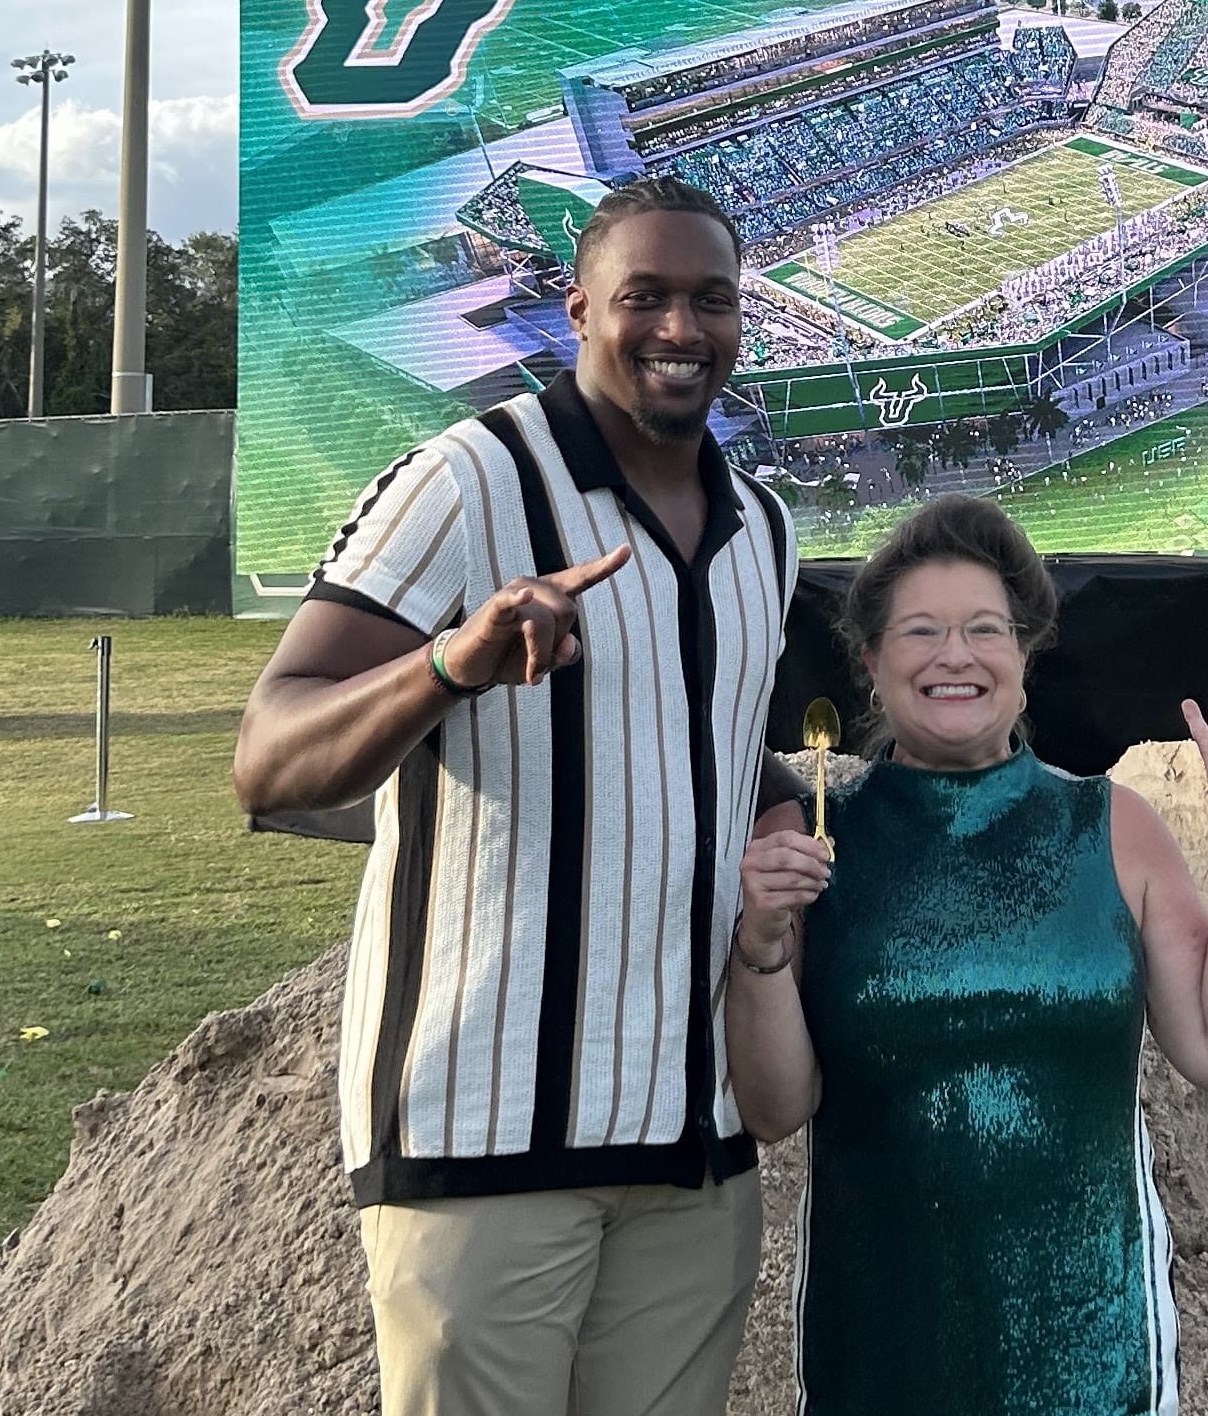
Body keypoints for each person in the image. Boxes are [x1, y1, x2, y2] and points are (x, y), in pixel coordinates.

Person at [234, 177, 803, 1416]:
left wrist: (779, 814)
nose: (678, 328)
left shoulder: (763, 524)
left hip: (693, 1144)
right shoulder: (470, 479)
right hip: (485, 1132)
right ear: (577, 307)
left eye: (710, 299)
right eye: (642, 296)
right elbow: (269, 759)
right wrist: (450, 661)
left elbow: (703, 735)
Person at [724, 495, 1208, 1416]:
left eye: (985, 629)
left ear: (1024, 660)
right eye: (920, 632)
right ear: (871, 662)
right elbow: (774, 1109)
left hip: (1090, 1337)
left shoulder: (1111, 828)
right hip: (879, 1333)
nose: (955, 655)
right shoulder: (819, 846)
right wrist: (757, 944)